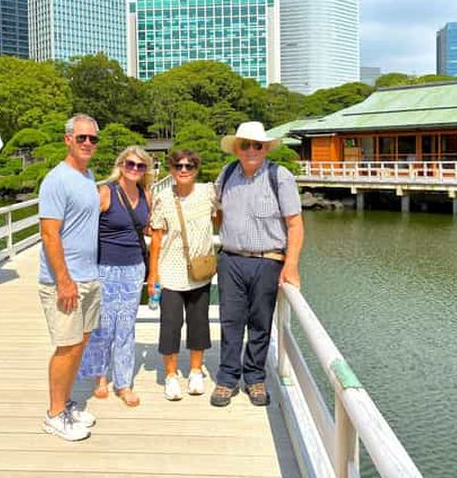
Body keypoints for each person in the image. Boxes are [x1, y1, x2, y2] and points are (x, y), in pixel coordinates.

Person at [211, 121, 304, 408]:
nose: (251, 150)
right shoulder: (226, 174)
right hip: (230, 259)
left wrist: (291, 266)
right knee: (230, 321)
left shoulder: (280, 177)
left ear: (265, 148)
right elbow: (217, 214)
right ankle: (227, 378)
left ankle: (254, 378)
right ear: (236, 148)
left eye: (257, 145)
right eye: (245, 145)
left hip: (267, 261)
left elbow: (295, 225)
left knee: (260, 323)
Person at [38, 113, 102, 442]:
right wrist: (64, 280)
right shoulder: (56, 179)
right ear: (68, 140)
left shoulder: (88, 176)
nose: (88, 143)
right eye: (82, 138)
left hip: (89, 277)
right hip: (65, 280)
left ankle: (65, 403)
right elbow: (50, 234)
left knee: (81, 343)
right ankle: (53, 414)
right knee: (67, 346)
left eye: (93, 138)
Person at [79, 146, 153, 407]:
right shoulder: (105, 192)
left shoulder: (145, 194)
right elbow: (85, 229)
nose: (135, 169)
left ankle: (123, 384)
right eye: (130, 164)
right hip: (106, 268)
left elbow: (147, 227)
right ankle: (100, 377)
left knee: (126, 326)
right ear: (121, 165)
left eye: (140, 166)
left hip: (134, 268)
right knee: (103, 326)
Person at [148, 149, 217, 401]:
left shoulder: (208, 193)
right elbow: (155, 239)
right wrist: (152, 275)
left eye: (189, 166)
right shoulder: (163, 197)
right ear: (171, 170)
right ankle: (170, 375)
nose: (184, 170)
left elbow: (220, 217)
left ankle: (196, 371)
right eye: (179, 166)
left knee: (199, 323)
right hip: (170, 272)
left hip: (200, 272)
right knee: (170, 325)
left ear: (196, 169)